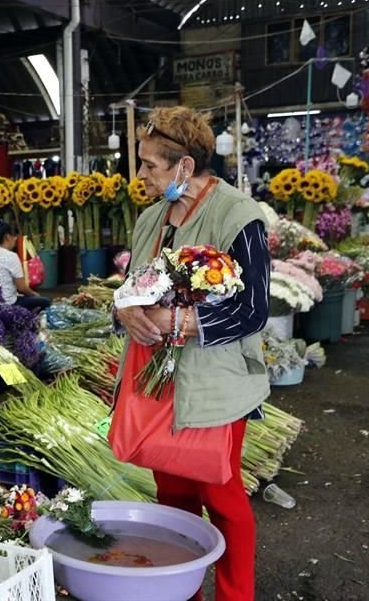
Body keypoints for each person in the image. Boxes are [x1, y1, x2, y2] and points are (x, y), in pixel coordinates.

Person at [116, 106, 270, 601]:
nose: (139, 175)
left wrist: (181, 322)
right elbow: (128, 289)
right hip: (155, 380)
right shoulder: (150, 219)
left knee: (222, 497)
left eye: (150, 165)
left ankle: (235, 595)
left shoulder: (238, 215)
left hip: (214, 386)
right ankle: (182, 592)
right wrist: (125, 312)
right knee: (174, 498)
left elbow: (253, 310)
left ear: (184, 167)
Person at [0, 219, 51, 312]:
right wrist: (34, 295)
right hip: (7, 306)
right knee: (45, 302)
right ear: (7, 237)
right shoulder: (10, 256)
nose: (15, 238)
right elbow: (21, 288)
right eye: (13, 235)